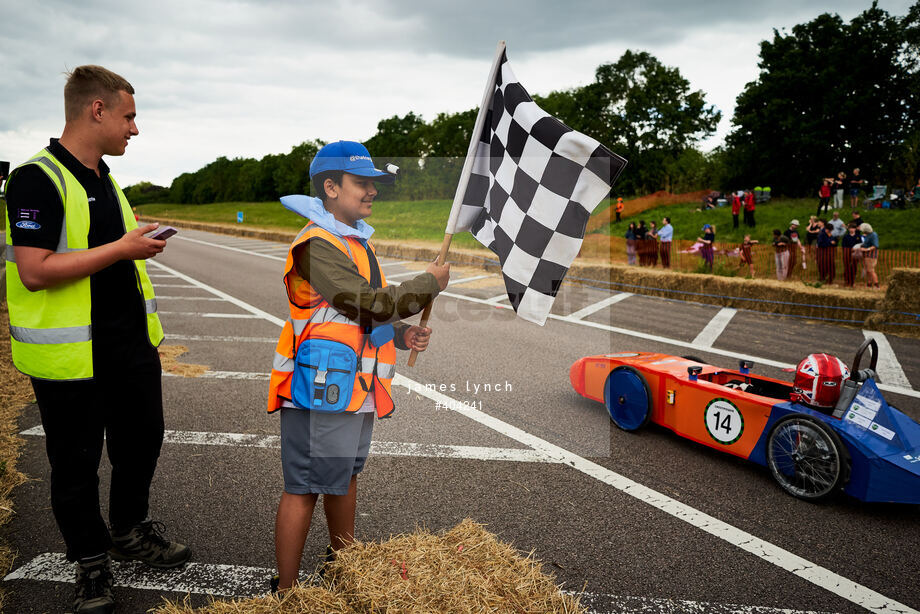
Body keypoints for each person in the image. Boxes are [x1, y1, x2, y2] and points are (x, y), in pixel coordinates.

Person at [3, 65, 190, 614]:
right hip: (70, 355)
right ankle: (89, 561)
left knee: (142, 442)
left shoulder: (105, 178)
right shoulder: (36, 179)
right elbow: (35, 269)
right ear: (97, 110)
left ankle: (129, 530)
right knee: (75, 463)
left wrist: (135, 242)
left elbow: (105, 249)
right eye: (129, 116)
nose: (135, 129)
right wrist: (122, 249)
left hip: (128, 344)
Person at [267, 141, 450, 593]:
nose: (371, 191)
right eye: (360, 182)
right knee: (305, 486)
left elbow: (367, 318)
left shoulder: (354, 241)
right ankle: (287, 593)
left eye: (374, 183)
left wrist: (403, 334)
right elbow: (366, 305)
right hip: (319, 387)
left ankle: (345, 568)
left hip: (350, 388)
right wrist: (429, 284)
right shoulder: (316, 244)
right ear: (330, 186)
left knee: (343, 476)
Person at [840, 222, 862, 287]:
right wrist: (848, 250)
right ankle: (846, 281)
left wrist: (855, 249)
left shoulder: (858, 237)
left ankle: (852, 282)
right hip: (847, 254)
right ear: (848, 229)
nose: (851, 229)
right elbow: (843, 245)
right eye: (850, 228)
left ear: (855, 229)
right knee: (847, 267)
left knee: (854, 268)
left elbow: (860, 244)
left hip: (855, 254)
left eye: (853, 228)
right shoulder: (846, 236)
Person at [816, 220, 837, 284]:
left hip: (830, 254)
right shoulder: (821, 235)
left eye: (831, 230)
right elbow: (820, 244)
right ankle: (822, 279)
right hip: (822, 254)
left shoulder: (831, 235)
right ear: (827, 229)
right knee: (823, 267)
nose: (830, 231)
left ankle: (830, 280)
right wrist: (830, 243)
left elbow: (834, 243)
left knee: (831, 267)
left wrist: (834, 243)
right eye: (829, 230)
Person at [859, 222, 879, 288]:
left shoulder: (873, 235)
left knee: (871, 270)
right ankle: (869, 284)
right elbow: (866, 243)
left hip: (871, 256)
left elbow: (875, 246)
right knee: (868, 271)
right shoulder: (868, 235)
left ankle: (876, 285)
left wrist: (866, 249)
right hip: (867, 255)